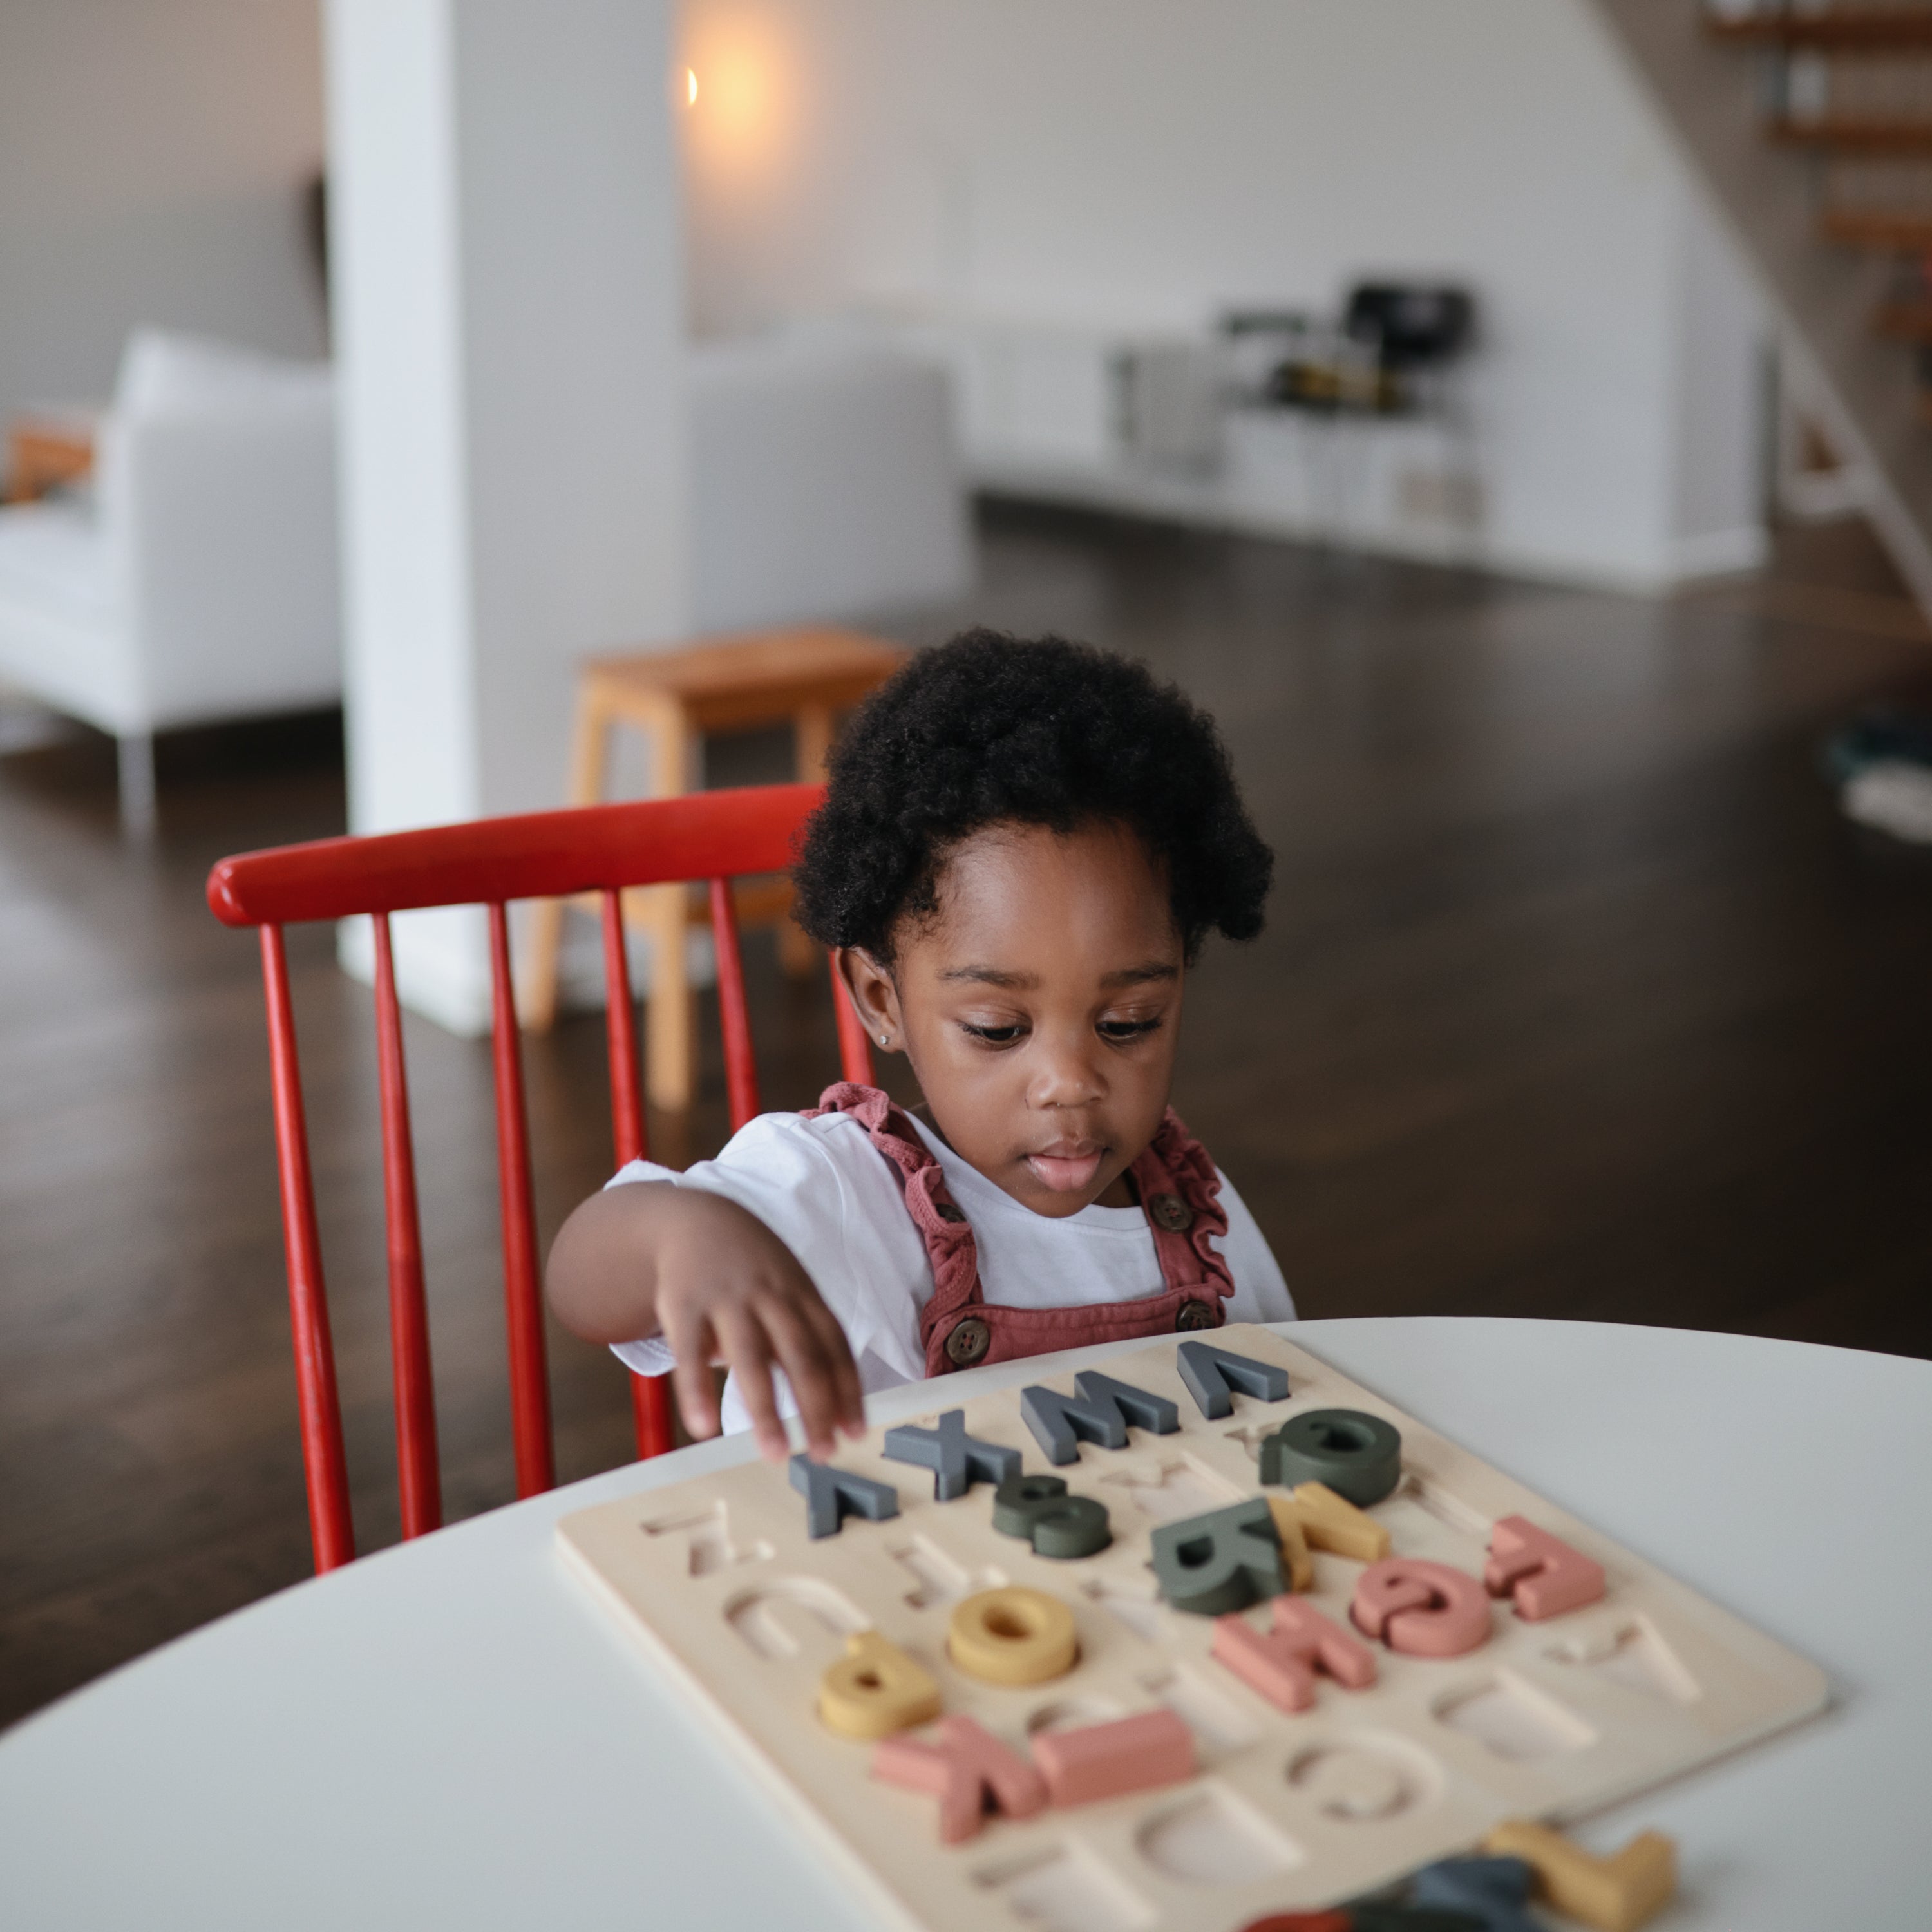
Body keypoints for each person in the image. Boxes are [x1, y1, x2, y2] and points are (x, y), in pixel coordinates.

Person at [545, 630, 1293, 1464]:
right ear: (880, 999)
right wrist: (682, 1231)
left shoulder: (1191, 1212)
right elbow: (582, 1282)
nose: (1070, 1082)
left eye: (1129, 1022)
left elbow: (1285, 1397)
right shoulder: (834, 1193)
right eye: (998, 1030)